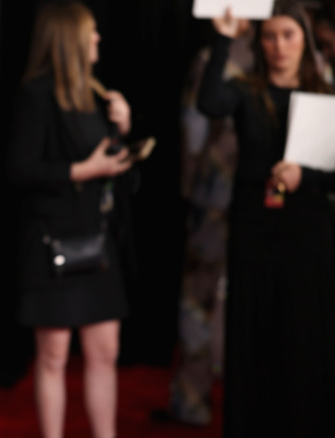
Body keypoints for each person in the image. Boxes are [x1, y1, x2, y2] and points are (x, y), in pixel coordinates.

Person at [198, 2, 335, 436]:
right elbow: (209, 103)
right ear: (259, 42)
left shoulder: (325, 95)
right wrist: (223, 38)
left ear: (304, 41)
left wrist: (304, 176)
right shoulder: (246, 89)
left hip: (307, 231)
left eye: (288, 35)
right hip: (254, 229)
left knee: (303, 335)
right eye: (270, 36)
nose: (279, 46)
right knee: (253, 332)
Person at [7, 2, 135, 438]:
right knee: (53, 356)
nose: (98, 38)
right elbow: (19, 169)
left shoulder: (94, 93)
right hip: (51, 242)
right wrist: (85, 170)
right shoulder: (36, 94)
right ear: (69, 38)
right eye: (91, 31)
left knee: (106, 351)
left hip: (97, 239)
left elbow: (110, 163)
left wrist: (123, 129)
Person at [157, 20, 253, 427]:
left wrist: (190, 184)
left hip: (215, 195)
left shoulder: (213, 57)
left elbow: (193, 127)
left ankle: (192, 403)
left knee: (199, 297)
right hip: (262, 196)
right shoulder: (282, 55)